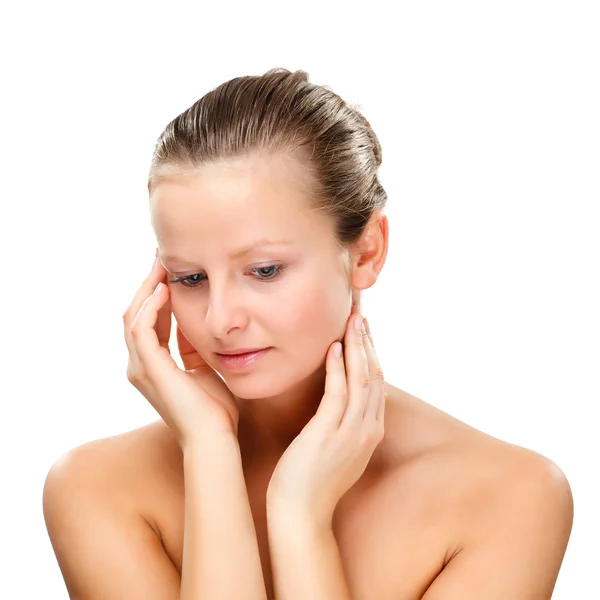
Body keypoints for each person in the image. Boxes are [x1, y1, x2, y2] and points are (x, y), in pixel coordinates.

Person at [43, 68, 573, 599]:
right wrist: (208, 451)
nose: (219, 320)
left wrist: (300, 518)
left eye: (264, 270)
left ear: (366, 252)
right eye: (191, 278)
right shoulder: (94, 489)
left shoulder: (512, 498)